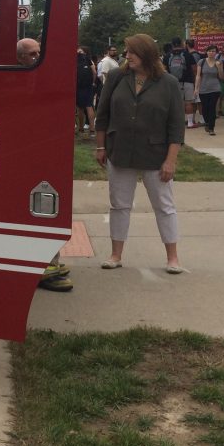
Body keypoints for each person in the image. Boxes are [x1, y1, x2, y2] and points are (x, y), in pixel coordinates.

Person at [95, 34, 185, 273]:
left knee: (164, 206)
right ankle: (115, 255)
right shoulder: (116, 77)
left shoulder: (168, 83)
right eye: (126, 51)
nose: (127, 56)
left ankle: (173, 258)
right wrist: (101, 146)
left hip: (155, 155)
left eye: (131, 52)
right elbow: (102, 114)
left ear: (146, 54)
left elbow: (176, 126)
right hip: (120, 151)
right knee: (119, 205)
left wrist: (170, 160)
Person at [17, 37, 72, 292]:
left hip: (44, 152)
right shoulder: (13, 80)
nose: (37, 57)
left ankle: (50, 263)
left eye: (39, 52)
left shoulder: (45, 78)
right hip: (22, 154)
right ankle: (41, 267)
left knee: (47, 207)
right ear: (19, 57)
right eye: (31, 54)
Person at [164, 37, 198, 128]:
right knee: (188, 102)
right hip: (188, 81)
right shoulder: (187, 54)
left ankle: (178, 122)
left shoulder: (167, 56)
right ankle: (190, 123)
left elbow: (164, 71)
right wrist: (195, 82)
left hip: (173, 83)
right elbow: (194, 69)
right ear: (182, 44)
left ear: (172, 44)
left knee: (176, 103)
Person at [196, 44, 224, 135]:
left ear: (216, 53)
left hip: (215, 88)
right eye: (209, 51)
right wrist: (196, 88)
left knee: (212, 107)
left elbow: (221, 77)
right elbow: (198, 76)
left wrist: (219, 67)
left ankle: (211, 128)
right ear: (206, 52)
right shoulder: (202, 62)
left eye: (213, 51)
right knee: (205, 107)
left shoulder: (218, 62)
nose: (211, 53)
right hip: (203, 88)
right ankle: (207, 123)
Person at [75, 46, 96, 135]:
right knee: (89, 106)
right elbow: (94, 72)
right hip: (88, 86)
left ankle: (81, 128)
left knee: (80, 107)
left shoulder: (75, 60)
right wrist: (93, 82)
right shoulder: (88, 60)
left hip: (79, 86)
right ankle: (92, 130)